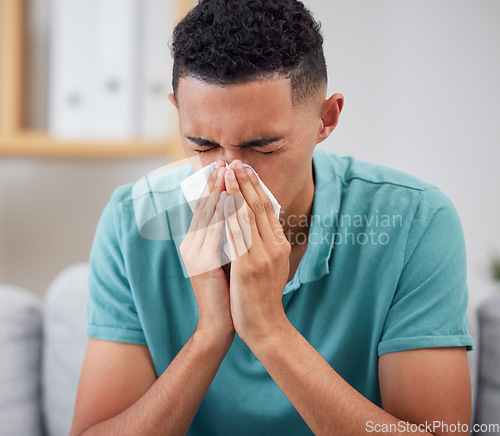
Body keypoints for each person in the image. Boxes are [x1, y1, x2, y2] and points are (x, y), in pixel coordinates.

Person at [70, 0, 474, 435]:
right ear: (177, 113)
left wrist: (267, 329)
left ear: (326, 118)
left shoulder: (415, 220)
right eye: (201, 144)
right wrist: (210, 335)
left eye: (263, 148)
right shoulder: (132, 222)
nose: (226, 176)